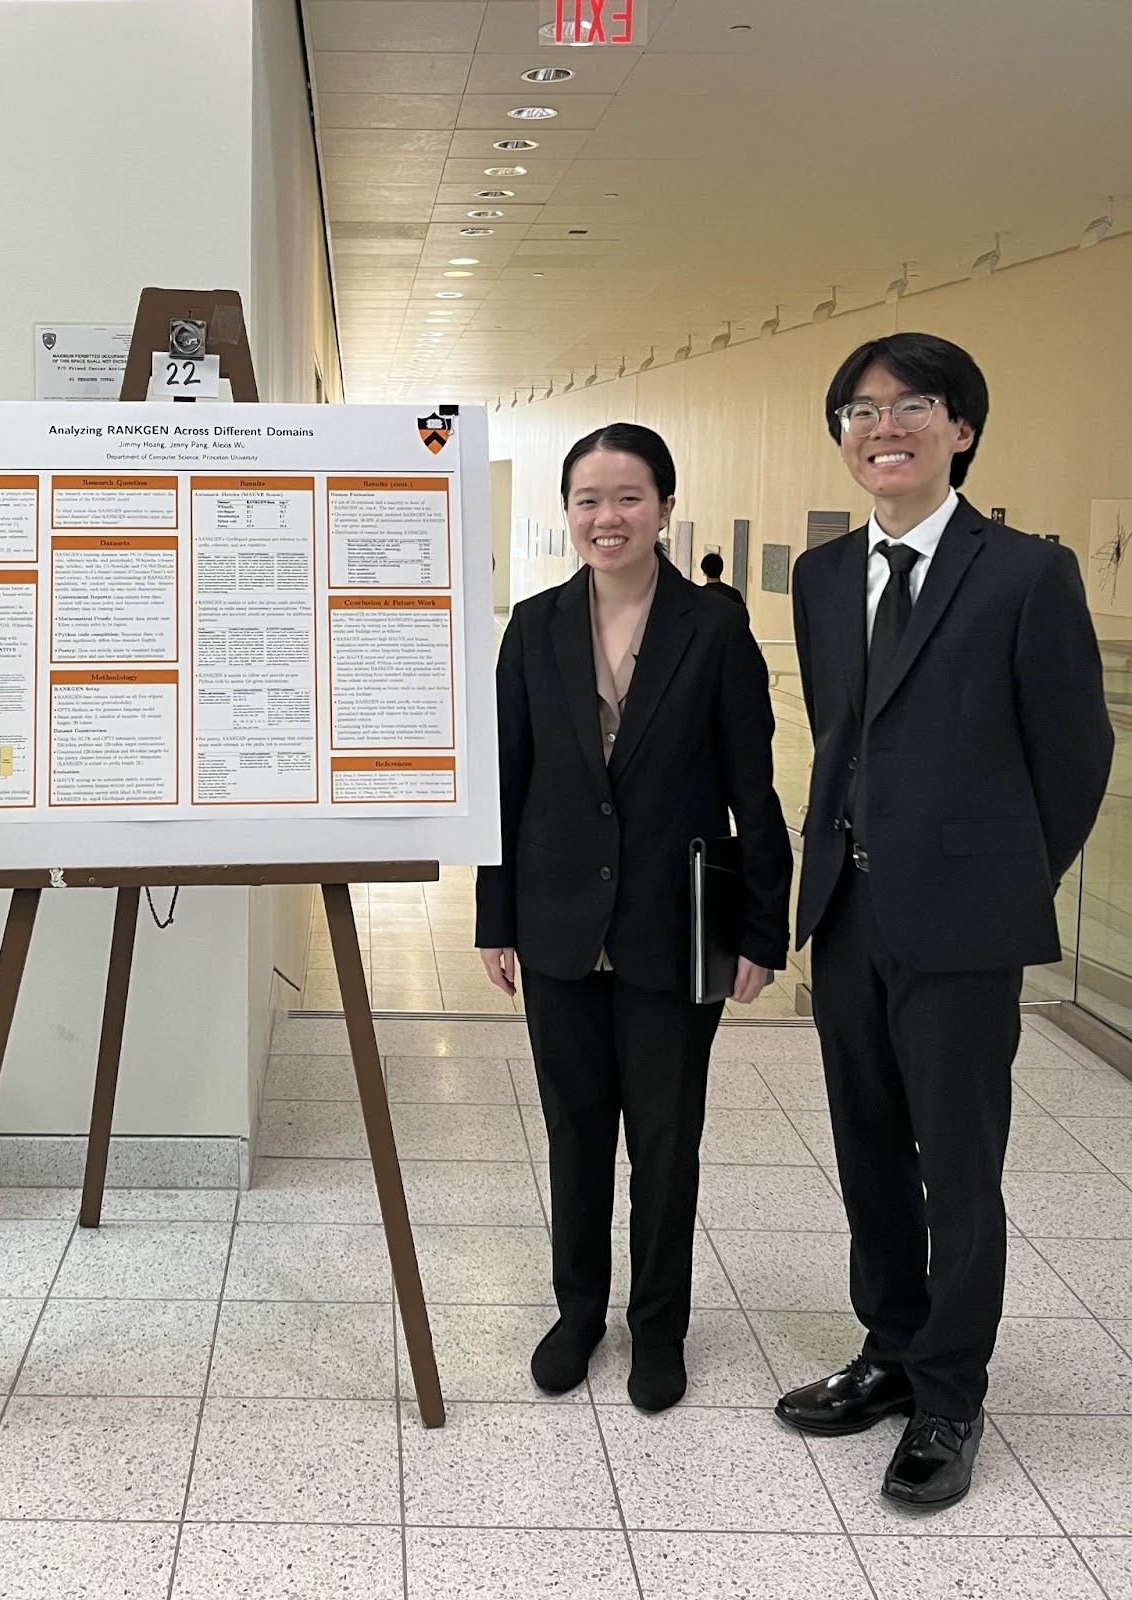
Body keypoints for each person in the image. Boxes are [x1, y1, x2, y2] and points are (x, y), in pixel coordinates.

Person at [776, 333, 1112, 1509]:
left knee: (958, 1166)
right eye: (857, 410)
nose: (883, 425)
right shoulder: (822, 577)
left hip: (964, 924)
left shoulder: (1025, 571)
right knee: (868, 1148)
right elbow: (843, 738)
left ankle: (949, 1392)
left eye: (910, 404)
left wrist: (998, 878)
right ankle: (889, 1346)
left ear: (959, 428)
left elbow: (1074, 757)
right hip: (848, 908)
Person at [476, 424, 792, 1410]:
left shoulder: (713, 628)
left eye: (625, 498)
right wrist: (496, 917)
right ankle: (579, 1313)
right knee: (575, 1129)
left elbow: (754, 785)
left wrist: (760, 927)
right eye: (585, 499)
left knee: (664, 1136)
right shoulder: (532, 627)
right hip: (559, 923)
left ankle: (659, 1326)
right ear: (564, 511)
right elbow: (504, 780)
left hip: (672, 924)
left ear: (662, 506)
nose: (604, 518)